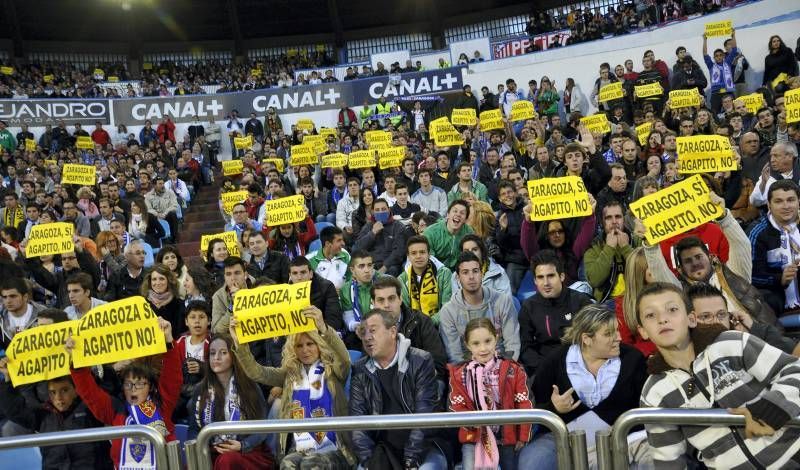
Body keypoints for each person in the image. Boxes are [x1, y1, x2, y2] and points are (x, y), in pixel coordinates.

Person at [637, 282, 800, 469]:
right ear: (642, 331)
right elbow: (668, 460)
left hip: (794, 455)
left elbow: (794, 368)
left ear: (691, 319)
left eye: (672, 310)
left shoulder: (731, 343)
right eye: (651, 315)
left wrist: (773, 409)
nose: (662, 319)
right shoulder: (653, 393)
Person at [230, 304, 355, 468]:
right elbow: (256, 372)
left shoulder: (334, 371)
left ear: (319, 345)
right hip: (299, 448)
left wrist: (323, 328)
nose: (305, 350)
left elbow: (345, 359)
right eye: (299, 346)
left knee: (312, 465)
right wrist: (240, 345)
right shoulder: (289, 375)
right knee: (287, 465)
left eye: (310, 344)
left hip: (335, 449)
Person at [529, 304, 646, 469]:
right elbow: (536, 408)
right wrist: (555, 408)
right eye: (609, 334)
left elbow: (644, 409)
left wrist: (619, 428)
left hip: (622, 438)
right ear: (587, 339)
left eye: (617, 331)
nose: (619, 338)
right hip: (562, 437)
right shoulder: (555, 360)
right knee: (532, 463)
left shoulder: (633, 359)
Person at [66, 318, 181, 470]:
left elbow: (173, 377)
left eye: (139, 383)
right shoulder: (114, 409)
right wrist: (76, 362)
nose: (133, 388)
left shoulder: (162, 404)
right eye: (128, 384)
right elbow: (88, 392)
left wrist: (168, 341)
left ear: (151, 387)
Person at [349, 308, 449, 470]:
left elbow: (424, 418)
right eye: (363, 332)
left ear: (393, 331)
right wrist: (369, 462)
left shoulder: (421, 361)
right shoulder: (360, 369)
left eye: (373, 330)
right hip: (382, 452)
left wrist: (410, 461)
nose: (367, 337)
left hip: (424, 449)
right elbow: (358, 425)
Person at [448, 318, 533, 470]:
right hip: (473, 439)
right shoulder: (459, 374)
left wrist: (523, 435)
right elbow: (456, 405)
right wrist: (470, 423)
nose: (483, 348)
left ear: (496, 338)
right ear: (467, 345)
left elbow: (524, 402)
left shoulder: (513, 369)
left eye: (488, 341)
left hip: (507, 438)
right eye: (476, 343)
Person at [0, 362, 113, 469]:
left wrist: (99, 366)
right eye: (53, 392)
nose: (58, 397)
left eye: (64, 390)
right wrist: (7, 377)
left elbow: (110, 390)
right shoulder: (43, 415)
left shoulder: (91, 408)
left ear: (76, 390)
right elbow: (14, 410)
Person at [188, 334, 274, 469]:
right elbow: (194, 429)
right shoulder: (201, 389)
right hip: (214, 450)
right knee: (194, 463)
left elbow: (262, 428)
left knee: (227, 460)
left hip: (247, 451)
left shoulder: (250, 386)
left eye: (223, 353)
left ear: (233, 356)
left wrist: (242, 445)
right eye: (212, 353)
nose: (216, 358)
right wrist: (203, 445)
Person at [519, 251, 593, 378]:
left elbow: (593, 339)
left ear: (562, 276)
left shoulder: (581, 302)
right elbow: (526, 349)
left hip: (581, 368)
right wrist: (546, 368)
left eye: (551, 276)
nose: (546, 283)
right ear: (535, 281)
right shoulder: (528, 307)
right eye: (540, 277)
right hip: (545, 370)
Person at [438, 252, 520, 364]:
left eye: (475, 271)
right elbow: (455, 355)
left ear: (482, 274)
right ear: (458, 278)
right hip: (467, 370)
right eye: (465, 272)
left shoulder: (503, 301)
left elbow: (512, 344)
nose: (471, 277)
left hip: (502, 365)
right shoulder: (448, 312)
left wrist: (504, 369)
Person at [687, 283, 797, 355]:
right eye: (705, 316)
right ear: (691, 320)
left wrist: (753, 329)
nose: (716, 321)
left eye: (721, 314)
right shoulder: (688, 354)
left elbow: (792, 349)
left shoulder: (743, 339)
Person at [584, 200, 640, 303]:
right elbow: (594, 280)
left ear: (624, 219)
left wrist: (626, 248)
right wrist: (609, 248)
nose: (614, 221)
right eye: (608, 218)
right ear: (603, 222)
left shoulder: (637, 240)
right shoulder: (594, 246)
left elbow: (645, 274)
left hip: (636, 299)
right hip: (607, 302)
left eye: (618, 217)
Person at [397, 235, 452, 325]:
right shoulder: (402, 279)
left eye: (422, 252)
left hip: (441, 325)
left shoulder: (444, 274)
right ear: (408, 256)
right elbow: (405, 310)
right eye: (414, 253)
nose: (418, 256)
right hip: (414, 326)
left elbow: (447, 307)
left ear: (429, 254)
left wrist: (429, 322)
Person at [173, 300, 210, 424]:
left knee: (192, 405)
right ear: (186, 321)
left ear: (209, 321)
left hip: (206, 390)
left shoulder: (215, 342)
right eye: (192, 317)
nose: (197, 321)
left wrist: (203, 368)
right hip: (182, 390)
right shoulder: (179, 343)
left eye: (201, 317)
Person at [353, 198, 412, 276]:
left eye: (383, 209)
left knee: (392, 270)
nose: (381, 212)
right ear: (373, 212)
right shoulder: (368, 227)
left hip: (390, 266)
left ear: (389, 210)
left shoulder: (398, 226)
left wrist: (384, 268)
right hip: (370, 265)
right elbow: (357, 248)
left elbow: (399, 252)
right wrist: (372, 233)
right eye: (377, 210)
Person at [287, 257, 344, 335]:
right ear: (290, 276)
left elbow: (335, 321)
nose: (299, 277)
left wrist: (317, 327)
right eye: (295, 273)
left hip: (320, 335)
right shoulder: (285, 293)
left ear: (311, 274)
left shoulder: (327, 287)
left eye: (303, 272)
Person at [424, 200, 474, 270]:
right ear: (448, 214)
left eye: (462, 213)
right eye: (455, 211)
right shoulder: (430, 232)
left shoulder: (469, 233)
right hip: (435, 271)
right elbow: (428, 259)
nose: (458, 214)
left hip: (460, 272)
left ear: (465, 219)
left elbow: (472, 257)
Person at [142, 263, 186, 337]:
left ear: (169, 281)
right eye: (154, 279)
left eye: (161, 279)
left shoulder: (179, 304)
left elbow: (181, 334)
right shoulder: (142, 304)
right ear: (150, 282)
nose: (157, 283)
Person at [211, 257, 252, 335]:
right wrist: (233, 305)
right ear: (224, 277)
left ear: (245, 274)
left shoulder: (255, 286)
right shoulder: (218, 296)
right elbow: (216, 330)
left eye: (237, 273)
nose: (233, 278)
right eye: (228, 274)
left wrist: (243, 297)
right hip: (233, 340)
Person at [307, 226, 351, 290]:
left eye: (342, 240)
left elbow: (351, 278)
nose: (343, 243)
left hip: (343, 297)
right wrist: (330, 293)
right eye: (339, 240)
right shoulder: (310, 260)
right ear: (327, 243)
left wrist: (343, 291)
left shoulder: (345, 255)